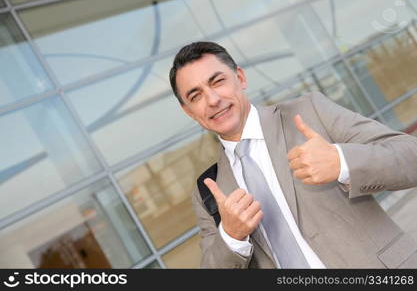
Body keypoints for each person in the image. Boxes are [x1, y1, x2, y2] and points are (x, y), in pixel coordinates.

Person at [169, 41, 417, 268]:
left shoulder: (310, 111)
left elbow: (410, 155)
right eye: (196, 95)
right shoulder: (208, 192)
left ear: (240, 78)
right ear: (188, 111)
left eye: (217, 81)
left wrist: (341, 161)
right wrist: (231, 237)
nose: (212, 100)